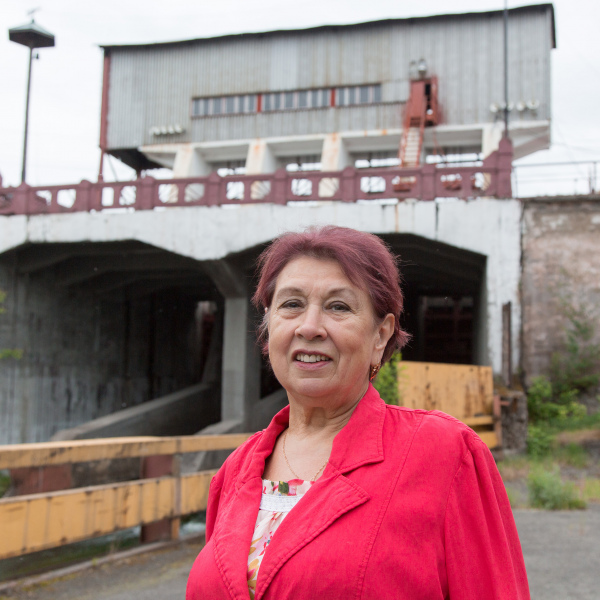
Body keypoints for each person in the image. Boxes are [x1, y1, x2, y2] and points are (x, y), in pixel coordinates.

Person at [186, 225, 530, 600]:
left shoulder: (444, 453)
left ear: (380, 335)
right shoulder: (236, 470)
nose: (309, 327)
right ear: (270, 327)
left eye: (338, 307)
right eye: (291, 304)